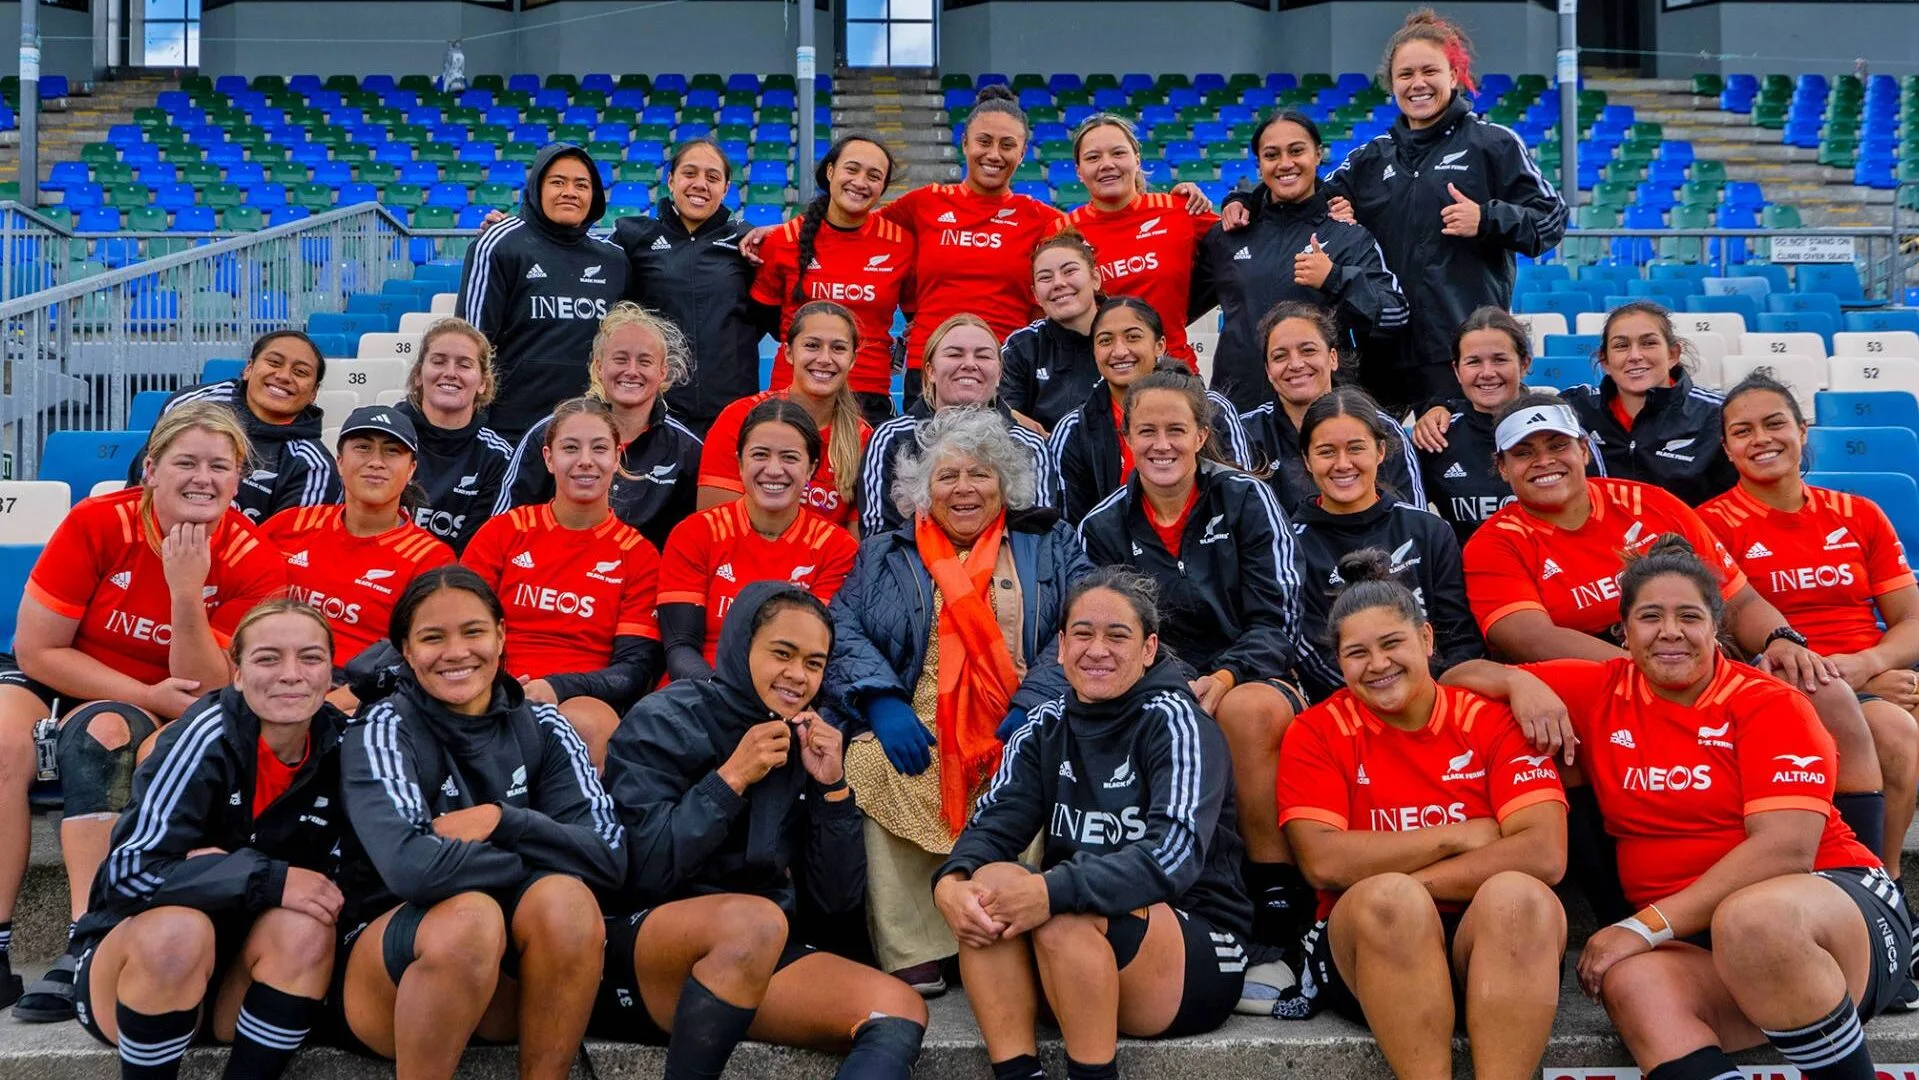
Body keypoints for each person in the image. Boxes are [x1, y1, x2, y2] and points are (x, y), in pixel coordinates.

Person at [1445, 535, 1913, 1080]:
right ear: (1623, 631)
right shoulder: (1601, 687)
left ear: (1717, 629)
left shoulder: (1767, 702)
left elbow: (1785, 849)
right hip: (1700, 942)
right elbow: (1454, 680)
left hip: (1831, 917)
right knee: (1630, 983)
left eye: (1689, 616)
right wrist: (1516, 679)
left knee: (1752, 918)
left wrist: (1644, 926)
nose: (1670, 631)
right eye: (1650, 616)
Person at [1462, 392, 1899, 885]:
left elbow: (1739, 601)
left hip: (1689, 662)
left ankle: (1874, 881)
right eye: (1524, 452)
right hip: (1597, 684)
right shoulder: (1495, 541)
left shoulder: (1649, 503)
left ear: (1583, 450)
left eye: (1556, 445)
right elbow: (1531, 638)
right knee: (1549, 738)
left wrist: (1781, 638)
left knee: (1829, 694)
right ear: (1501, 468)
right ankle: (1617, 909)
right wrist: (1646, 672)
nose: (1544, 461)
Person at [2, 402, 289, 1022]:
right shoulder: (99, 521)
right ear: (151, 469)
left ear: (238, 479)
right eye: (185, 462)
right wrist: (146, 693)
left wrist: (187, 590)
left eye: (220, 466)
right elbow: (38, 648)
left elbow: (211, 690)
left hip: (168, 699)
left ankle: (87, 937)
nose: (202, 478)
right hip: (67, 670)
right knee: (1, 741)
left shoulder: (255, 558)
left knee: (106, 734)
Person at [594, 582, 928, 1078]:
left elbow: (834, 905)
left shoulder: (803, 738)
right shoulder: (663, 717)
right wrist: (731, 779)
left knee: (896, 1008)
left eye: (814, 663)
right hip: (643, 948)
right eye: (782, 653)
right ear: (740, 646)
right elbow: (642, 870)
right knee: (756, 920)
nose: (798, 675)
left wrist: (832, 791)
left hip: (754, 952)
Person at [935, 568, 1253, 1078]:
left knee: (1064, 909)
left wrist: (1052, 891)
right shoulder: (1044, 725)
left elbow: (1173, 855)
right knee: (988, 884)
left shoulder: (1177, 721)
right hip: (1075, 958)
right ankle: (1018, 1073)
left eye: (1117, 635)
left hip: (1193, 953)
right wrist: (950, 885)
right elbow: (991, 829)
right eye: (1082, 633)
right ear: (1060, 646)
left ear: (1149, 649)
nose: (1097, 649)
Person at [826, 408, 1092, 996]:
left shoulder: (1048, 543)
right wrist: (878, 700)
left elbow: (1079, 627)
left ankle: (999, 924)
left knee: (1026, 762)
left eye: (980, 474)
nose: (964, 489)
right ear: (924, 491)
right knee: (870, 760)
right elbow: (841, 626)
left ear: (1006, 485)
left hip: (1017, 711)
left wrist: (1033, 706)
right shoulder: (885, 553)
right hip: (912, 707)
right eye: (947, 477)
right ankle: (913, 946)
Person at [1277, 550, 1566, 1076]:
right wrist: (1457, 836)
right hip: (1369, 944)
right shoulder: (1317, 730)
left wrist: (1420, 883)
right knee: (1391, 900)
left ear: (1427, 641)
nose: (1379, 665)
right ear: (1338, 664)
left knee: (1522, 896)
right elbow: (1323, 861)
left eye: (1392, 644)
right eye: (1357, 653)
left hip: (1489, 942)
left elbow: (1544, 853)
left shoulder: (1490, 720)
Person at [334, 566, 625, 1080]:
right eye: (432, 637)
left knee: (567, 903)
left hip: (507, 980)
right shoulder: (382, 726)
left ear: (501, 635)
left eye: (473, 632)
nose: (455, 652)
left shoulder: (545, 725)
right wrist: (534, 856)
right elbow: (411, 869)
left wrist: (501, 821)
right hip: (391, 975)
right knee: (472, 918)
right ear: (405, 649)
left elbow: (607, 859)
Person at [1075, 369, 1311, 966]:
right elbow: (1110, 630)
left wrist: (1227, 674)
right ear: (1127, 438)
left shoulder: (1246, 498)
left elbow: (1278, 619)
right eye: (1146, 430)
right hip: (1153, 678)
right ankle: (1181, 899)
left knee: (1245, 710)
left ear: (1202, 435)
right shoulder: (1103, 526)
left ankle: (1275, 899)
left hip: (1254, 672)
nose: (1162, 444)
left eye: (1176, 429)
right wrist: (1174, 681)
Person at [68, 600, 347, 1080]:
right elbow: (127, 875)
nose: (290, 674)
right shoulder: (205, 735)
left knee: (307, 926)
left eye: (310, 657)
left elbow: (341, 884)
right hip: (138, 976)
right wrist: (265, 876)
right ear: (236, 673)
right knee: (180, 929)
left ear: (330, 675)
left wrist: (207, 870)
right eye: (267, 658)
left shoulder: (343, 744)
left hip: (248, 979)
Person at [1243, 11, 1566, 409]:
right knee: (1380, 463)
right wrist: (1243, 200)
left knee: (1464, 462)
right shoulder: (1372, 158)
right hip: (1382, 351)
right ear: (1391, 84)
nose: (1417, 84)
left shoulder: (1492, 144)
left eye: (1429, 70)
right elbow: (1299, 191)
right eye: (1405, 75)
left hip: (1460, 350)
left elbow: (1551, 220)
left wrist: (1486, 218)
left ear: (1454, 75)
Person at [1701, 373, 1919, 874]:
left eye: (1775, 423)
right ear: (1727, 449)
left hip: (1870, 673)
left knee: (1895, 720)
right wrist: (1849, 681)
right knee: (1891, 731)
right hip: (1777, 680)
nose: (1761, 439)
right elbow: (1723, 640)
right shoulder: (1711, 524)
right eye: (1743, 431)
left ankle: (1883, 891)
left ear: (1803, 431)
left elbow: (1910, 619)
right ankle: (1883, 885)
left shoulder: (1859, 514)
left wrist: (1868, 665)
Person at [463, 397, 665, 766]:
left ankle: (585, 823)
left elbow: (634, 672)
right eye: (570, 448)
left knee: (587, 722)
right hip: (489, 681)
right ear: (548, 457)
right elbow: (460, 625)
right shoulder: (505, 531)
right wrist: (497, 683)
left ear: (617, 457)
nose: (585, 460)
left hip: (577, 698)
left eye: (599, 448)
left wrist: (557, 687)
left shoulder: (638, 555)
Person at [856, 86, 1067, 399]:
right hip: (929, 367)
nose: (994, 154)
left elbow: (1103, 233)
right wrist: (772, 232)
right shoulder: (924, 203)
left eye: (1007, 145)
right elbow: (852, 225)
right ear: (965, 143)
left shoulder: (1042, 219)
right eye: (984, 141)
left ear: (1022, 154)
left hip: (1006, 369)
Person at [1194, 110, 1409, 414]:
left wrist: (1336, 278)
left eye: (1297, 151)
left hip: (1321, 417)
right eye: (1272, 155)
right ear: (1259, 165)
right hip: (1239, 414)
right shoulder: (1228, 234)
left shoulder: (1348, 235)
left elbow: (1394, 316)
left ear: (1318, 155)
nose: (1285, 164)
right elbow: (1176, 304)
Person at [1290, 387, 1483, 704]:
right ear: (1307, 460)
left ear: (1380, 452)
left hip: (1437, 701)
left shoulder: (1429, 531)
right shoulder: (1292, 546)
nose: (1342, 464)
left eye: (1356, 449)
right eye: (1326, 452)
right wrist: (1383, 694)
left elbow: (1460, 637)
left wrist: (1425, 700)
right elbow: (1313, 655)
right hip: (1349, 705)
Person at [659, 399, 860, 682]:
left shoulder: (836, 548)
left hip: (788, 695)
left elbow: (814, 651)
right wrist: (722, 696)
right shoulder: (694, 533)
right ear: (740, 463)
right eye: (760, 455)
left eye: (790, 457)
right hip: (697, 693)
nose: (774, 470)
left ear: (811, 469)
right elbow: (680, 648)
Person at [495, 302, 704, 551]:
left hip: (643, 583)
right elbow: (503, 527)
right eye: (620, 359)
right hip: (550, 577)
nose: (631, 371)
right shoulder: (549, 433)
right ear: (598, 367)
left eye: (645, 361)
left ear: (662, 372)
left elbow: (695, 544)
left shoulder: (687, 451)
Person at [262, 407, 456, 674]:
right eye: (363, 447)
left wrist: (332, 702)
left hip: (358, 693)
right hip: (269, 672)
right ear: (339, 461)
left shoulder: (430, 558)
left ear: (411, 469)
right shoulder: (290, 524)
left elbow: (419, 657)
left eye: (392, 451)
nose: (376, 461)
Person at [457, 142, 626, 441]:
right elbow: (470, 344)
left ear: (594, 195)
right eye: (557, 182)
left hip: (591, 427)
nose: (570, 192)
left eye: (581, 184)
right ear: (537, 188)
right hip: (508, 429)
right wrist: (472, 426)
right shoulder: (500, 245)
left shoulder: (614, 260)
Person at [752, 134, 912, 426]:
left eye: (873, 176)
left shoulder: (900, 243)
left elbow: (915, 312)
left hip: (868, 393)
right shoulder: (784, 240)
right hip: (793, 390)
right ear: (830, 172)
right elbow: (765, 317)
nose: (861, 182)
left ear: (883, 187)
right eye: (852, 169)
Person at [1408, 306, 1605, 544]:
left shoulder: (1563, 429)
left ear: (1524, 364)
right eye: (1473, 362)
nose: (1487, 372)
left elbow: (1601, 513)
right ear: (1457, 371)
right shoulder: (1437, 437)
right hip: (1477, 575)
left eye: (1500, 359)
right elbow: (1409, 524)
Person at [612, 139, 765, 435]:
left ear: (726, 188)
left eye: (712, 177)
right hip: (655, 409)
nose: (700, 184)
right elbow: (575, 254)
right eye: (690, 173)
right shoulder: (634, 237)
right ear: (671, 180)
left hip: (731, 409)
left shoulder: (746, 242)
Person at [1051, 297, 1249, 524]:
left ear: (1160, 346)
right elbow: (1071, 529)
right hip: (1111, 556)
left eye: (1133, 337)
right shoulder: (1074, 430)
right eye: (1105, 341)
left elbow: (1241, 502)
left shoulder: (1213, 409)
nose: (1119, 351)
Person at [859, 314, 1054, 536]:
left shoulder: (1029, 444)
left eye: (983, 356)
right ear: (930, 371)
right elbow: (878, 538)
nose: (969, 364)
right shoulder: (891, 439)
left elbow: (1040, 535)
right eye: (954, 354)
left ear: (999, 374)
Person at [127, 329, 342, 525]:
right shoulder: (193, 404)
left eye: (300, 372)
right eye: (274, 362)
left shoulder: (314, 467)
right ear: (248, 369)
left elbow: (287, 550)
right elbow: (143, 487)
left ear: (313, 393)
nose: (284, 376)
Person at [697, 300, 873, 531]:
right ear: (789, 353)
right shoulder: (740, 417)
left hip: (822, 565)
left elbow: (855, 550)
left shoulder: (863, 439)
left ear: (852, 360)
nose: (824, 358)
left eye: (838, 348)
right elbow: (714, 526)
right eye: (812, 345)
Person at [1238, 302, 1425, 514]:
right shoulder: (1246, 434)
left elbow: (1415, 526)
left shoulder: (1383, 428)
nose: (1296, 364)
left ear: (1333, 358)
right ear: (1268, 370)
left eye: (1308, 350)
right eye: (1280, 356)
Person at [1064, 115, 1217, 370]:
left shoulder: (1181, 211)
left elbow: (1248, 243)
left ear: (1137, 159)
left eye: (1118, 153)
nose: (1107, 164)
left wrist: (1241, 201)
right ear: (1079, 171)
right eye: (1093, 158)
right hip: (1097, 381)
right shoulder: (1062, 233)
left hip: (1174, 377)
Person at [1561, 301, 1737, 507]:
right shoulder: (1574, 409)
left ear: (1672, 354)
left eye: (1648, 343)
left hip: (1690, 536)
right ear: (1605, 361)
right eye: (1621, 346)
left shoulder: (1717, 415)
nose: (1635, 356)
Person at [391, 318, 516, 554]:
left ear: (482, 383)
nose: (450, 373)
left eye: (464, 365)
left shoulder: (497, 457)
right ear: (418, 374)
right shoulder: (386, 436)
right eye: (438, 361)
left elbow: (478, 550)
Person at [1000, 231, 1102, 434]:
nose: (1058, 283)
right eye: (1045, 277)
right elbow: (1004, 419)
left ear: (1095, 278)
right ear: (1036, 295)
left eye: (1069, 271)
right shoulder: (1022, 348)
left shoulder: (1130, 332)